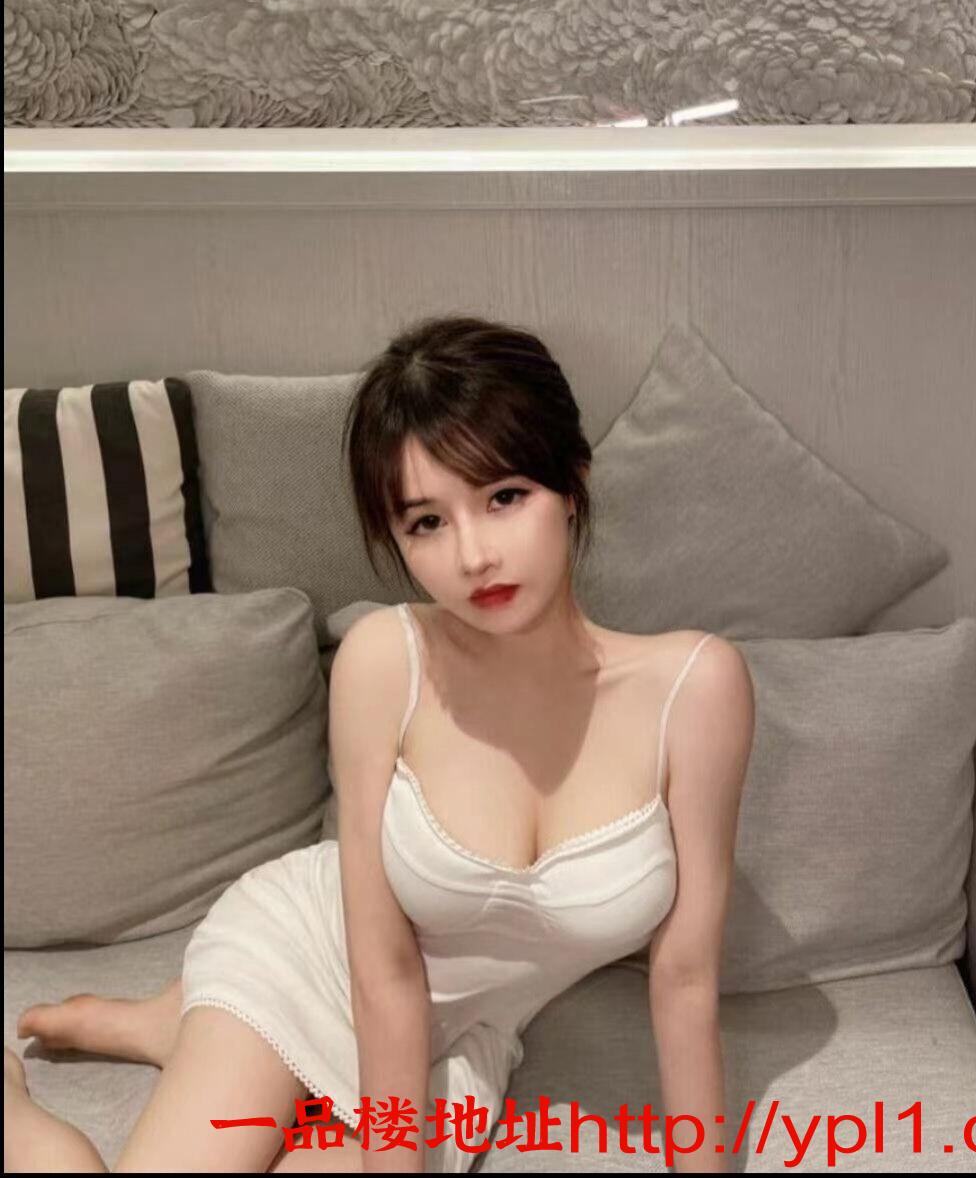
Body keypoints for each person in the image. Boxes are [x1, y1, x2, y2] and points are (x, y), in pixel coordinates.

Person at [5, 315, 755, 1174]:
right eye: (427, 522)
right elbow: (384, 969)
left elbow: (685, 979)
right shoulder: (384, 662)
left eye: (505, 497)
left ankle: (170, 1025)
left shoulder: (696, 690)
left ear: (573, 483)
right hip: (309, 957)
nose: (473, 556)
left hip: (462, 1037)